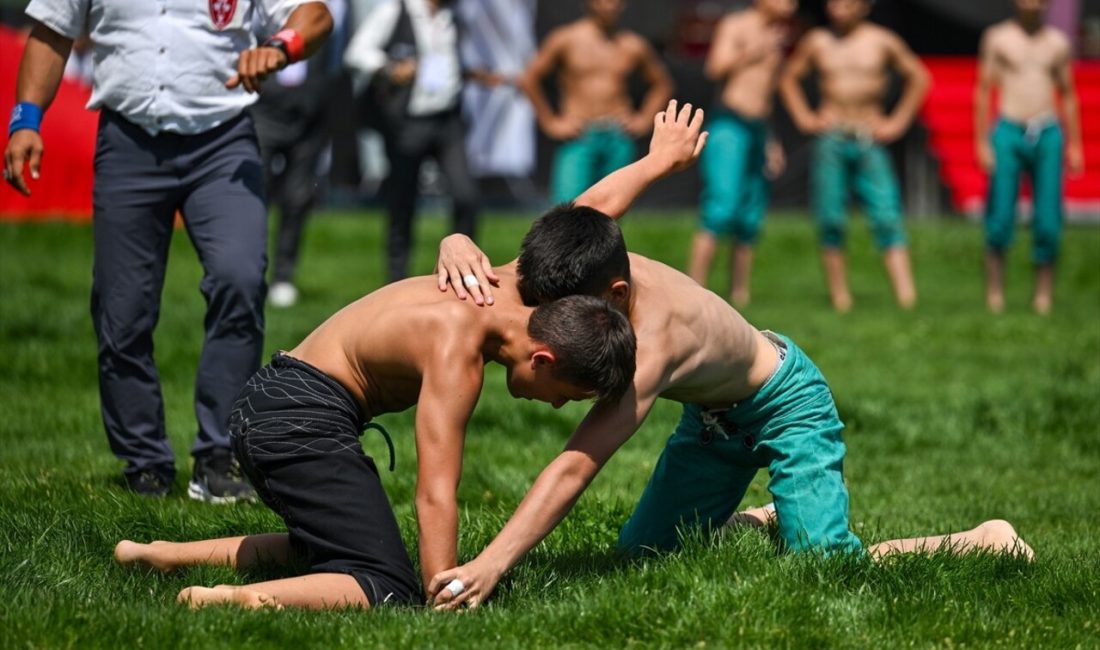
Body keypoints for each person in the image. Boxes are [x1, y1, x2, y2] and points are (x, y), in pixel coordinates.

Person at [426, 100, 1033, 611]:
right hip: (713, 422)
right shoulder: (585, 254)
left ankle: (985, 538)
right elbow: (593, 206)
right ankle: (764, 517)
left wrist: (492, 563)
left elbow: (576, 463)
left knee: (827, 566)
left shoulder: (656, 344)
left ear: (612, 296)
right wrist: (456, 242)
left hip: (784, 403)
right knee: (641, 558)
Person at [113, 275, 636, 610]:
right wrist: (443, 591)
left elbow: (579, 223)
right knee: (384, 583)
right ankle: (232, 600)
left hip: (273, 399)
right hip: (297, 419)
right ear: (543, 358)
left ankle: (160, 554)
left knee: (328, 546)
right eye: (567, 396)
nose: (558, 408)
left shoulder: (489, 285)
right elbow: (435, 490)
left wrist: (659, 162)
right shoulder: (459, 351)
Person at [3, 0, 333, 500]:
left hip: (222, 143)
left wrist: (279, 46)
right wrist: (25, 120)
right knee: (123, 308)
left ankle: (220, 456)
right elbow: (52, 31)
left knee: (239, 278)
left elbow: (316, 16)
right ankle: (145, 462)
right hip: (127, 141)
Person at [778, 0, 927, 312]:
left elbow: (918, 76)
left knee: (887, 214)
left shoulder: (882, 41)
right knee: (831, 217)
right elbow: (789, 77)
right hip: (831, 138)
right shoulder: (818, 41)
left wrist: (897, 121)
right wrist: (805, 117)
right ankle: (840, 298)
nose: (839, 7)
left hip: (868, 137)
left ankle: (907, 298)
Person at [344, 0, 502, 283]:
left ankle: (466, 270)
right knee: (402, 201)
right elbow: (356, 52)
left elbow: (441, 63)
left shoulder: (450, 16)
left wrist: (469, 74)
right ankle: (396, 278)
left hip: (447, 121)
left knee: (466, 195)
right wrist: (390, 68)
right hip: (408, 122)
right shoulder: (397, 10)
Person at [975, 0, 1083, 315]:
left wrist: (1075, 144)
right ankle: (995, 295)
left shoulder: (1057, 43)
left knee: (1048, 219)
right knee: (999, 218)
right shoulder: (997, 37)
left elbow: (1069, 94)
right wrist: (982, 141)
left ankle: (1043, 296)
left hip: (1047, 130)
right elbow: (983, 90)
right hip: (1008, 129)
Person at [689, 0, 795, 308]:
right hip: (729, 126)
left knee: (750, 215)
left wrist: (771, 141)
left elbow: (764, 91)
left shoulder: (779, 33)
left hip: (758, 129)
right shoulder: (736, 25)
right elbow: (715, 68)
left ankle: (739, 293)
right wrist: (756, 49)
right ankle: (695, 288)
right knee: (721, 207)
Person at [518, 0, 673, 204]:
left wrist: (643, 119)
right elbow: (529, 79)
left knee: (613, 208)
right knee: (567, 208)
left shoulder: (632, 44)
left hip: (618, 134)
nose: (611, 5)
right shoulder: (566, 39)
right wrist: (551, 122)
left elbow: (662, 83)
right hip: (580, 133)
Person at [255, 0, 351, 309]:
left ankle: (283, 275)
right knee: (255, 193)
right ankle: (251, 271)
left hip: (311, 111)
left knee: (298, 197)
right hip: (265, 107)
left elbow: (338, 52)